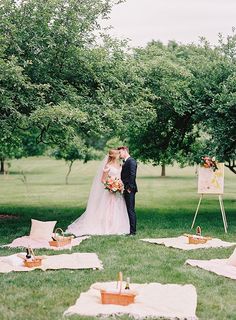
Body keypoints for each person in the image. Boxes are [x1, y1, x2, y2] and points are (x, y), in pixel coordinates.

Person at [66, 149, 130, 236]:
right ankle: (107, 227)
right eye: (118, 153)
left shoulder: (120, 165)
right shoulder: (108, 166)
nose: (120, 155)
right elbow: (103, 180)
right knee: (108, 209)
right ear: (113, 156)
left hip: (118, 192)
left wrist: (119, 185)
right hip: (110, 192)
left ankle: (118, 226)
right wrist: (111, 186)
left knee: (118, 208)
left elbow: (120, 177)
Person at [117, 146, 138, 236]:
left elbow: (132, 175)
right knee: (127, 209)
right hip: (125, 189)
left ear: (125, 151)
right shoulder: (125, 162)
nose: (119, 154)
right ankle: (128, 229)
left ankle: (133, 232)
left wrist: (129, 188)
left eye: (120, 152)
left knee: (130, 210)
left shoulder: (131, 161)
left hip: (130, 189)